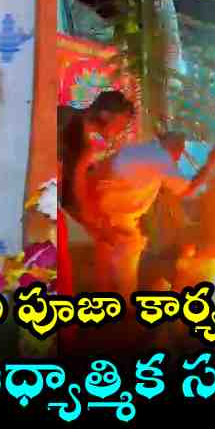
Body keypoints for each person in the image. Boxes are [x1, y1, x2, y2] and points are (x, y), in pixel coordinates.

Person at [80, 132, 215, 296]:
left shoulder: (142, 150)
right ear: (175, 148)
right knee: (125, 271)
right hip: (114, 217)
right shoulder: (160, 158)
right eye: (180, 153)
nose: (177, 159)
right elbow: (187, 190)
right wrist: (210, 164)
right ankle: (124, 307)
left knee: (106, 268)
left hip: (103, 211)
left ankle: (107, 304)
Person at [58, 90, 136, 295]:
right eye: (121, 123)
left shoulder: (68, 116)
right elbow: (73, 198)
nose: (121, 130)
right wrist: (102, 230)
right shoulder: (79, 140)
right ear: (105, 115)